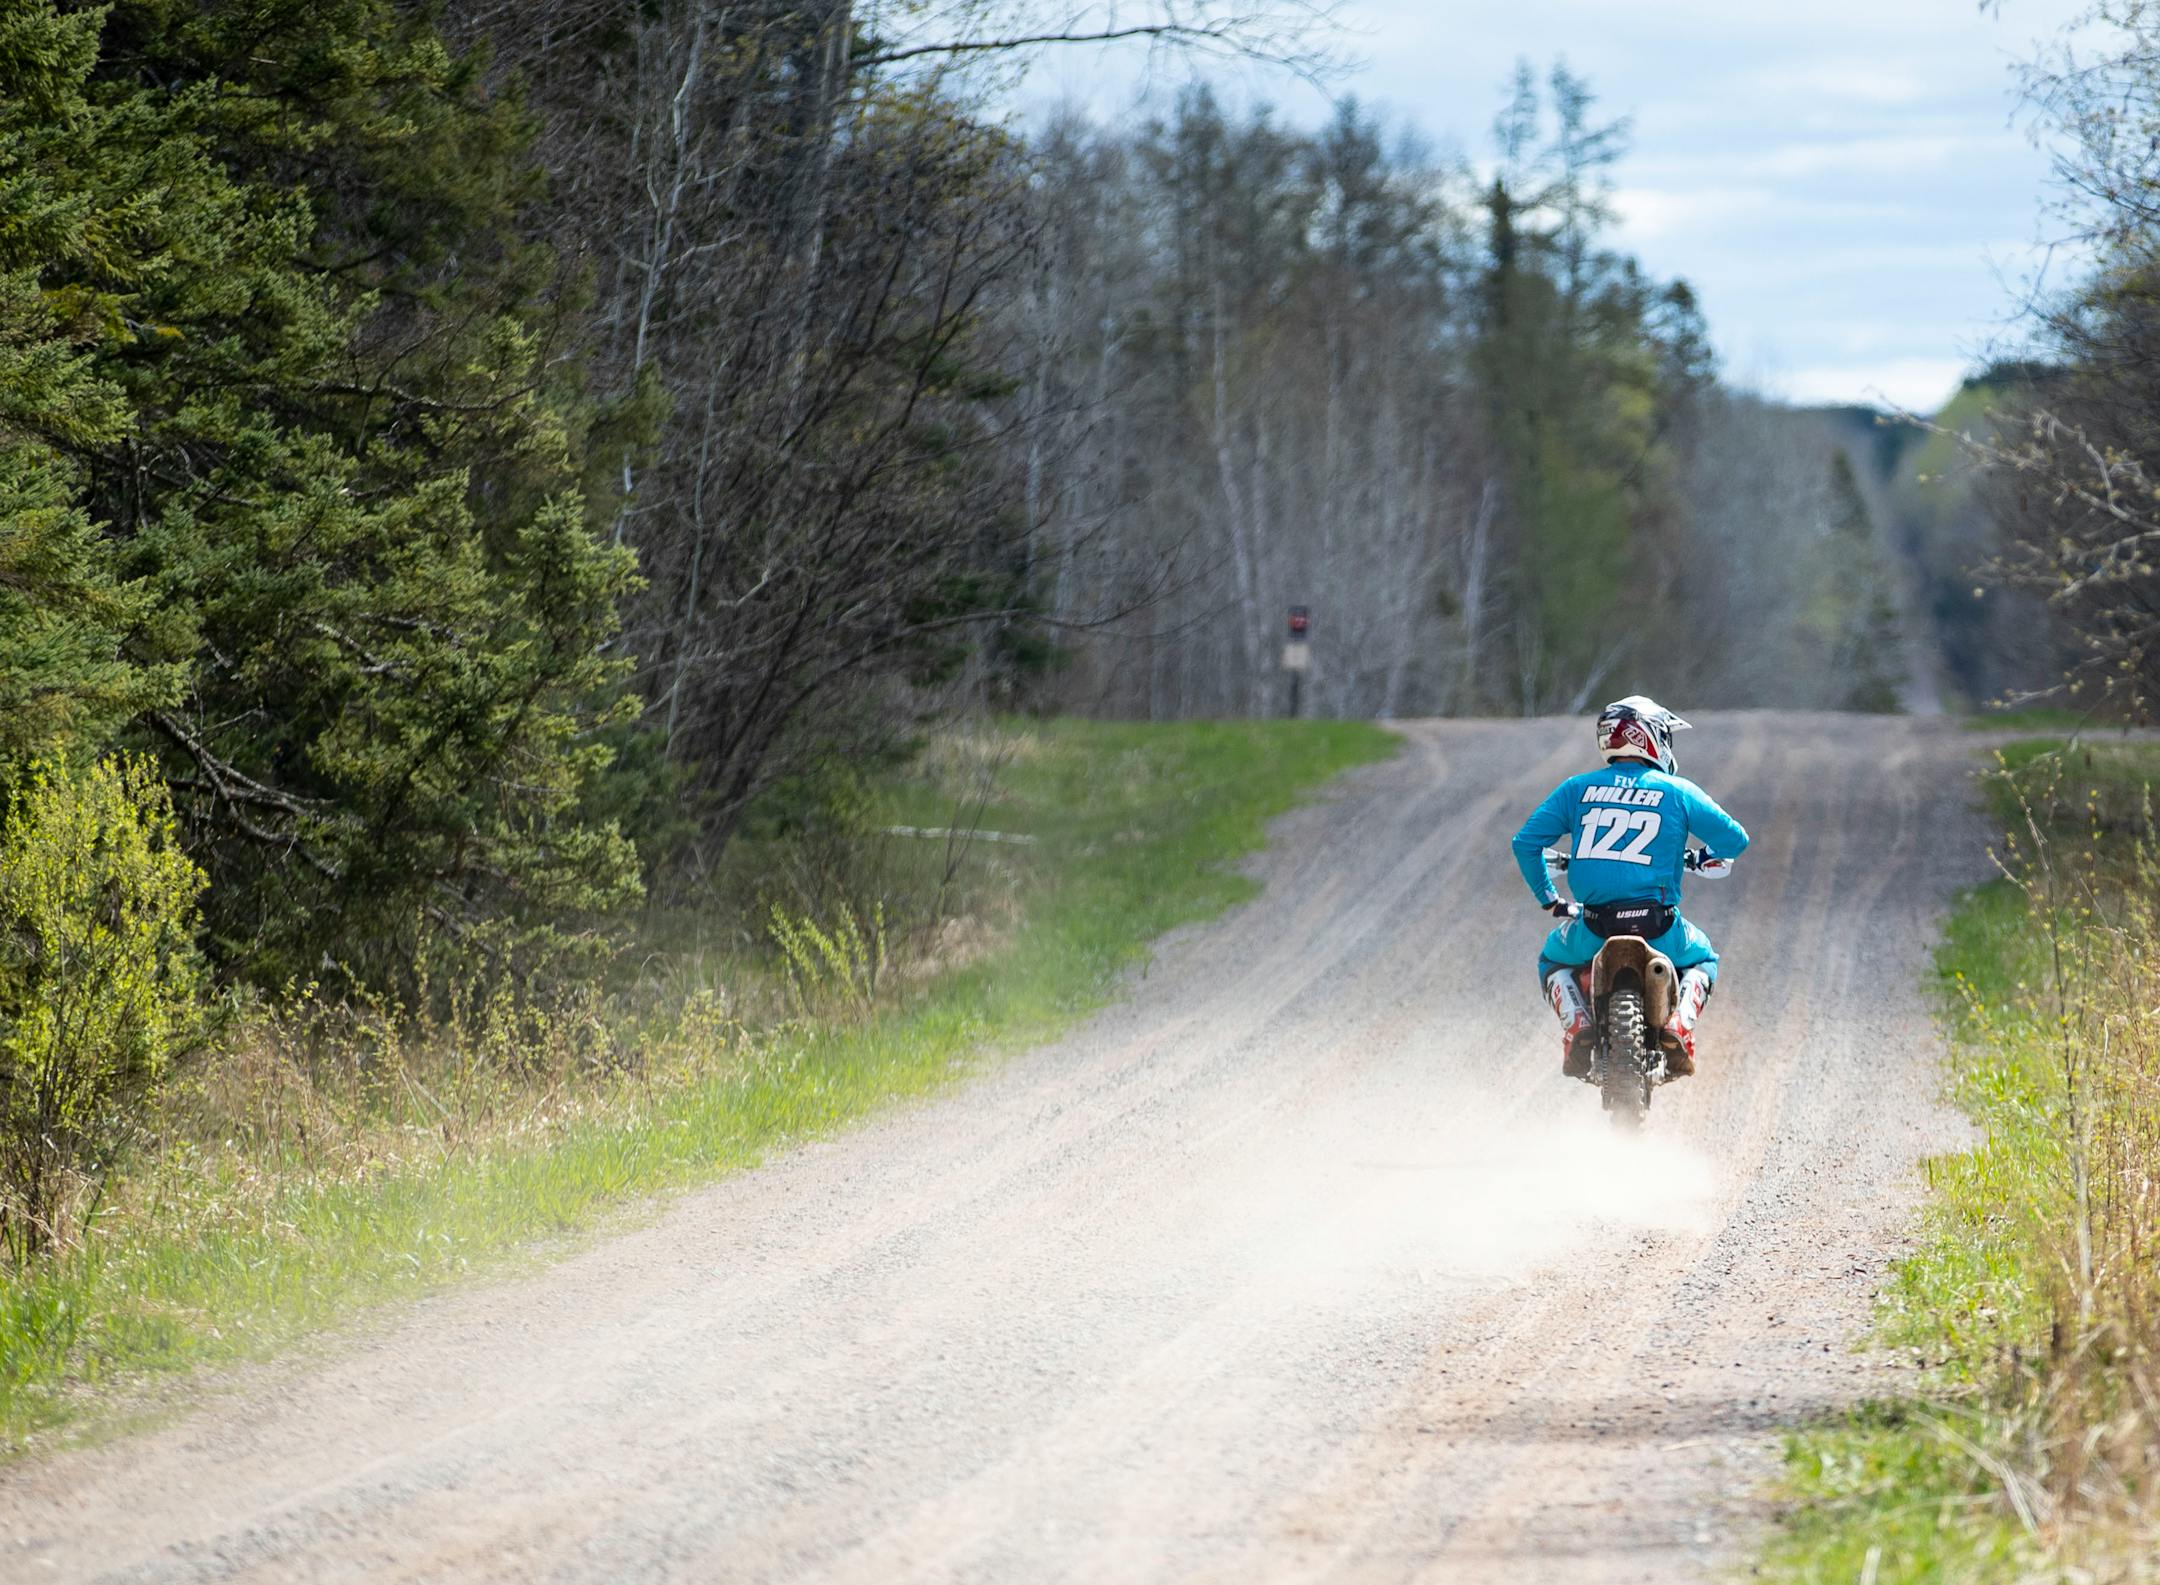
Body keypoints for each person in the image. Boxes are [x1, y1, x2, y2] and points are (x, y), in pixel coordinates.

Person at [1510, 696, 1749, 1079]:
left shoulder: (1577, 789)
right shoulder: (1677, 790)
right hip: (1660, 926)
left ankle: (1577, 1026)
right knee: (1704, 960)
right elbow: (1736, 840)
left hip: (1594, 926)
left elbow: (1525, 843)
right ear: (1651, 737)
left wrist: (1548, 898)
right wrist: (1700, 855)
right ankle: (1680, 1026)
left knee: (1552, 959)